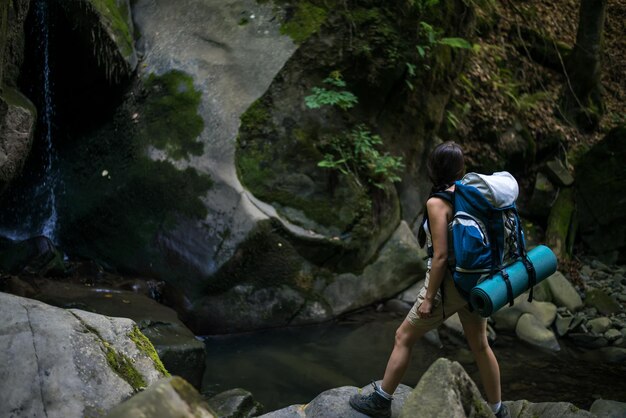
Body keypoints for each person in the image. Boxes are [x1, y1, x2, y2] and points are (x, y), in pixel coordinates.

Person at [348, 141, 510, 418]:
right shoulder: (473, 195)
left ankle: (382, 400)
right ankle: (498, 410)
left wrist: (428, 298)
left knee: (402, 336)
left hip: (450, 284)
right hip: (478, 281)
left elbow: (441, 257)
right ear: (461, 169)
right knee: (480, 344)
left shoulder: (437, 202)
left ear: (433, 169)